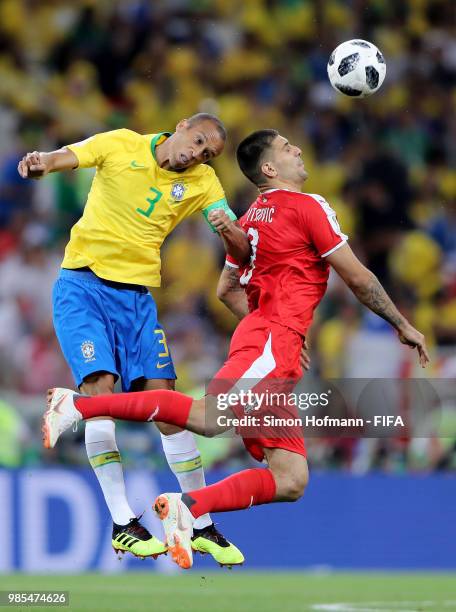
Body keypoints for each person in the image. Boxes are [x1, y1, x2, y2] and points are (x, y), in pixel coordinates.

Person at [42, 129, 429, 569]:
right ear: (268, 168)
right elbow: (358, 278)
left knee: (291, 479)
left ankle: (187, 506)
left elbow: (226, 289)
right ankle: (78, 407)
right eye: (287, 149)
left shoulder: (248, 221)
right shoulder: (309, 206)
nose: (299, 151)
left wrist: (272, 326)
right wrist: (401, 323)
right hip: (270, 342)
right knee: (208, 418)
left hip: (272, 345)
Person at [19, 113, 250, 566]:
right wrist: (41, 162)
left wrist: (229, 230)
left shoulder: (204, 182)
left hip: (137, 302)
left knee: (169, 409)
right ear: (182, 126)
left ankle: (199, 522)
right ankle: (124, 522)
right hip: (82, 289)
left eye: (209, 153)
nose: (198, 154)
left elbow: (239, 249)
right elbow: (68, 156)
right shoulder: (121, 144)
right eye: (199, 141)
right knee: (100, 390)